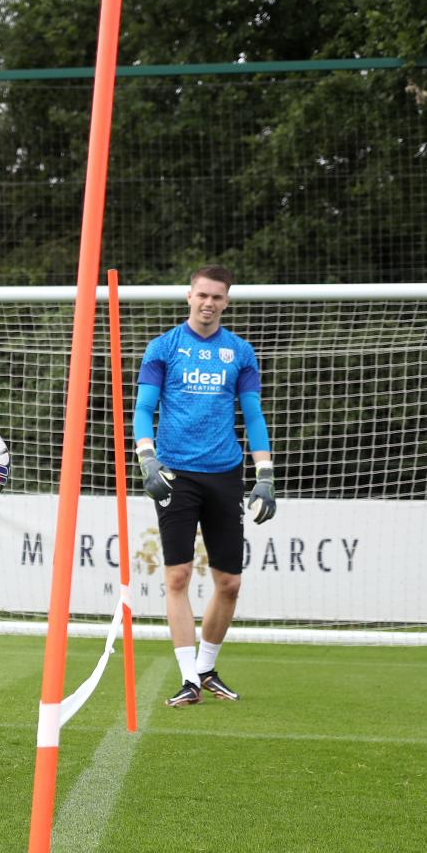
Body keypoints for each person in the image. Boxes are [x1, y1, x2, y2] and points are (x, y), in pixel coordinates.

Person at [133, 264, 276, 707]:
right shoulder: (163, 348)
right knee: (176, 574)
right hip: (175, 472)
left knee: (229, 582)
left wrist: (265, 473)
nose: (208, 303)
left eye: (217, 297)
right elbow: (142, 409)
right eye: (202, 295)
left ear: (226, 302)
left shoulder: (240, 353)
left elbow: (252, 416)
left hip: (226, 473)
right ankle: (188, 678)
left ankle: (207, 667)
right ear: (188, 296)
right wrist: (147, 458)